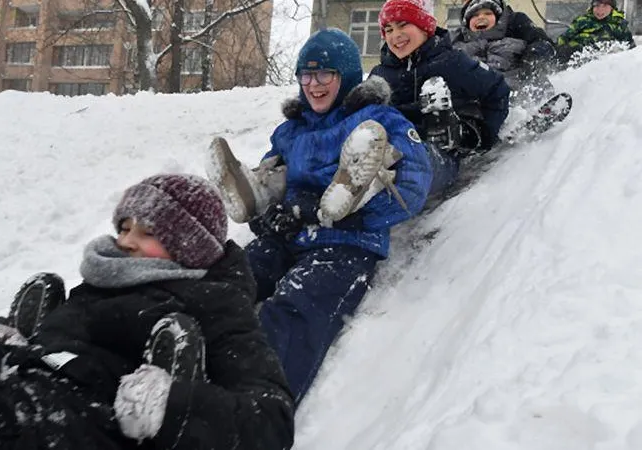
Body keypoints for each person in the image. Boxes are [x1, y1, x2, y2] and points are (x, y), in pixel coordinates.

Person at [0, 174, 295, 450]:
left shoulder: (217, 304)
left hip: (82, 426)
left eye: (147, 231)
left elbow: (271, 420)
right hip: (10, 395)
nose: (126, 241)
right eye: (124, 226)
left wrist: (169, 405)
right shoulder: (104, 279)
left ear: (188, 247)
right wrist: (3, 344)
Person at [207, 28, 433, 405]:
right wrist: (268, 217)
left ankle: (253, 409)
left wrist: (350, 217)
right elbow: (278, 165)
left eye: (324, 74)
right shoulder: (291, 129)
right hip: (290, 231)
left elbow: (415, 183)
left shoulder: (380, 118)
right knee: (228, 284)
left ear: (345, 76)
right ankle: (257, 194)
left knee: (293, 309)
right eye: (306, 75)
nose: (313, 84)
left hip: (347, 240)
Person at [369, 0, 511, 194]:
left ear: (424, 27)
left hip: (438, 155)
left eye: (403, 25)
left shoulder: (451, 62)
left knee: (417, 163)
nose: (396, 35)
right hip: (391, 149)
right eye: (388, 29)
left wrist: (484, 134)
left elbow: (497, 90)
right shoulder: (381, 74)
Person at [451, 0, 556, 104]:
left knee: (535, 72)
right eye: (474, 15)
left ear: (498, 18)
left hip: (515, 89)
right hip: (475, 101)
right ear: (467, 23)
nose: (481, 17)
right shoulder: (458, 43)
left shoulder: (515, 26)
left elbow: (542, 43)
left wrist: (532, 57)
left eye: (488, 13)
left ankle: (539, 106)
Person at [557, 0, 636, 63]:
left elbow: (631, 49)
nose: (600, 10)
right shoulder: (583, 21)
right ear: (592, 7)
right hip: (573, 56)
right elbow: (564, 37)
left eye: (605, 6)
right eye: (597, 6)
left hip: (601, 61)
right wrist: (562, 49)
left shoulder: (618, 25)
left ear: (612, 8)